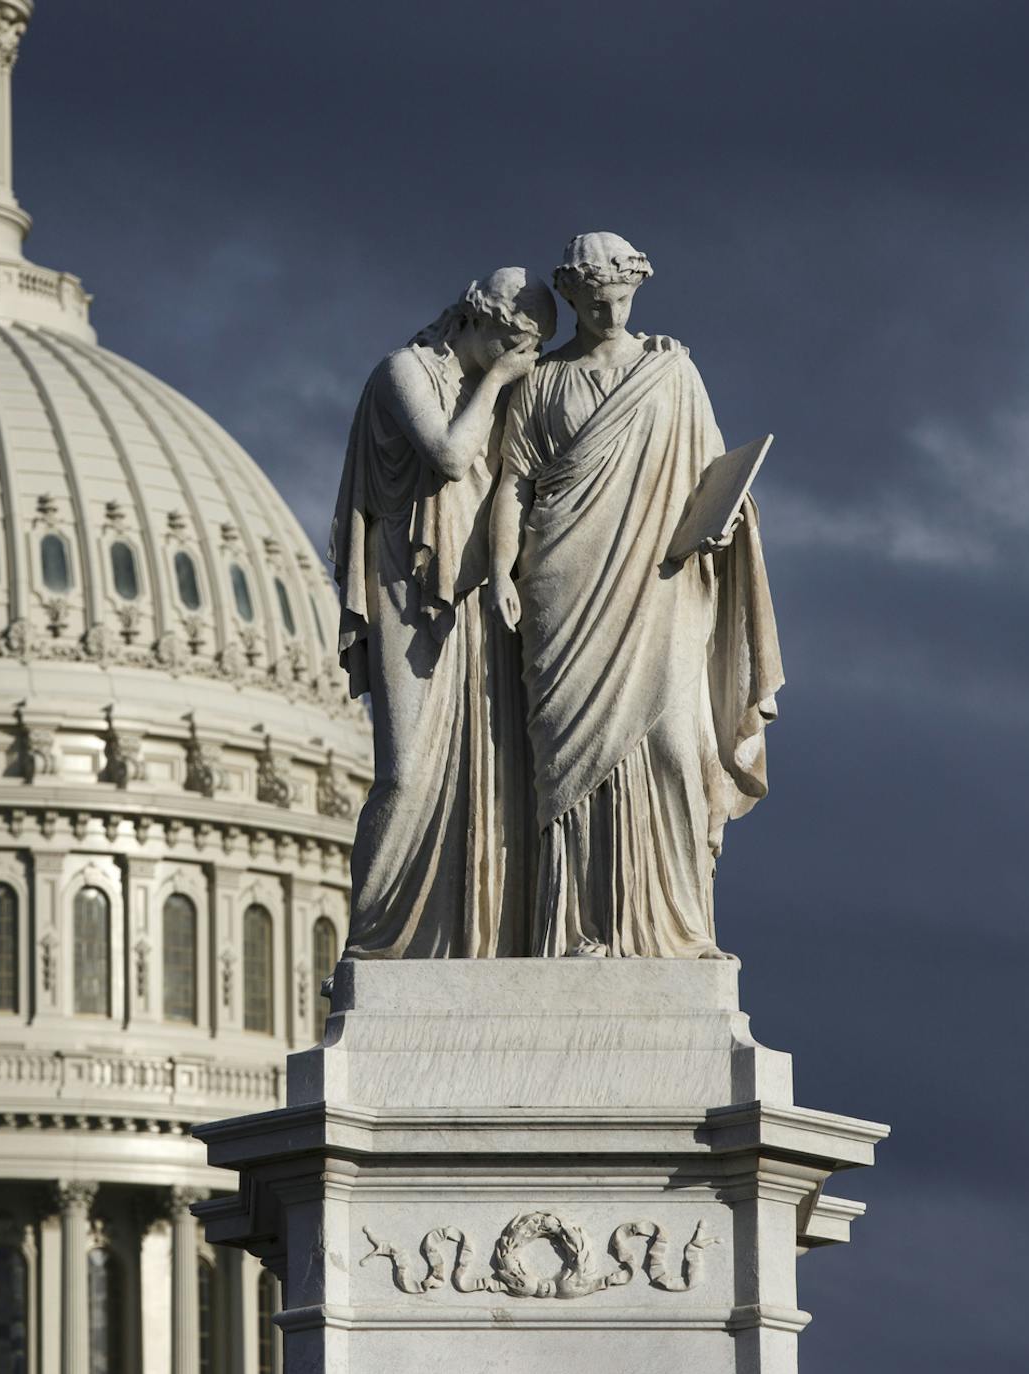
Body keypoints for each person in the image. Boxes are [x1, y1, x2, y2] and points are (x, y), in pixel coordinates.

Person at [489, 233, 783, 959]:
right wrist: (499, 573)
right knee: (567, 766)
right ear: (571, 298)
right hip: (563, 587)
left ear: (636, 290)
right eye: (593, 303)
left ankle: (676, 930)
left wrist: (724, 525)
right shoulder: (540, 383)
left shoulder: (674, 373)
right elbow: (513, 486)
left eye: (619, 299)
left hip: (662, 585)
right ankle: (576, 932)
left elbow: (716, 476)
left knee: (675, 752)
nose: (608, 313)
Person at [331, 268, 555, 959]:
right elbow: (451, 458)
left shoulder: (509, 388)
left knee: (487, 777)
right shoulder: (405, 370)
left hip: (479, 598)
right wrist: (495, 382)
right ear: (477, 320)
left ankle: (471, 940)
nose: (528, 361)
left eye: (537, 350)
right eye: (518, 343)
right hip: (408, 587)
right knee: (405, 774)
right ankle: (370, 945)